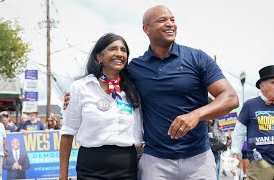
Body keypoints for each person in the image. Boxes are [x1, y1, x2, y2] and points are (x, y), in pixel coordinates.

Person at [63, 5, 238, 180]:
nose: (170, 24)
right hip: (156, 162)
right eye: (162, 20)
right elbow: (106, 81)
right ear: (146, 29)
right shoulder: (135, 69)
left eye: (172, 20)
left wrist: (196, 115)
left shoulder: (197, 58)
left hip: (199, 158)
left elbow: (230, 98)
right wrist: (77, 97)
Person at [59, 33, 143, 180]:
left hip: (127, 168)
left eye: (123, 50)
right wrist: (63, 176)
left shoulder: (135, 89)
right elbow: (67, 134)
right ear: (99, 57)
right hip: (90, 168)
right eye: (112, 49)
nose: (119, 53)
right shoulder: (81, 87)